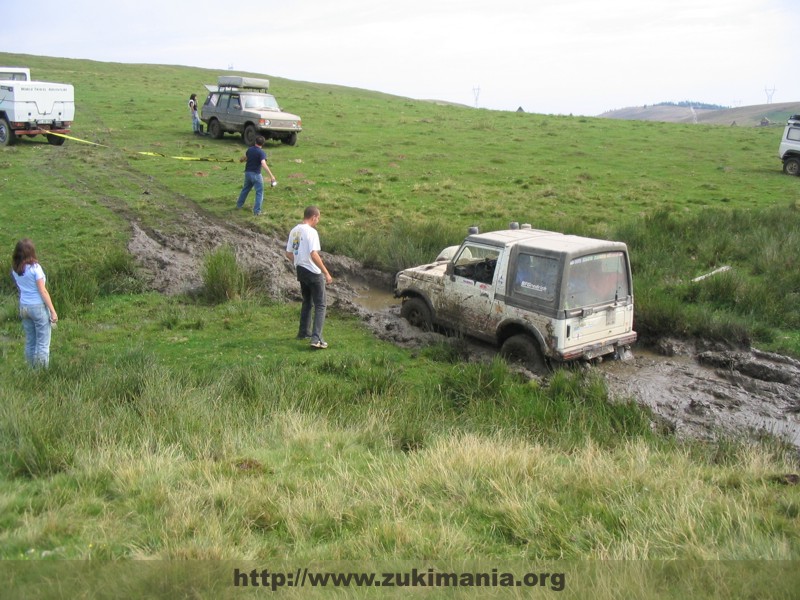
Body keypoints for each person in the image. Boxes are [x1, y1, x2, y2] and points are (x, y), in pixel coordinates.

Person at [284, 206, 333, 349]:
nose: (318, 221)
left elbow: (288, 253)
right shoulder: (311, 232)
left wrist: (299, 261)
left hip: (300, 270)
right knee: (321, 304)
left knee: (307, 301)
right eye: (318, 219)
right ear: (314, 217)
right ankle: (316, 339)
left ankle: (303, 332)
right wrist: (326, 273)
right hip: (312, 271)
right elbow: (314, 254)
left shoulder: (294, 230)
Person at [11, 239, 58, 368]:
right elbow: (43, 291)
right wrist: (53, 311)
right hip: (37, 307)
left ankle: (31, 370)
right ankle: (41, 373)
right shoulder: (35, 268)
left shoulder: (16, 269)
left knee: (30, 341)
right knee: (42, 343)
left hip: (24, 307)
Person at [236, 135, 276, 216]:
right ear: (263, 143)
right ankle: (257, 212)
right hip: (256, 175)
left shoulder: (250, 149)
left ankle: (239, 205)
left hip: (247, 173)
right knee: (259, 192)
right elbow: (263, 163)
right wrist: (271, 176)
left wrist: (241, 160)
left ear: (255, 142)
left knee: (245, 189)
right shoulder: (261, 153)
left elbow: (246, 157)